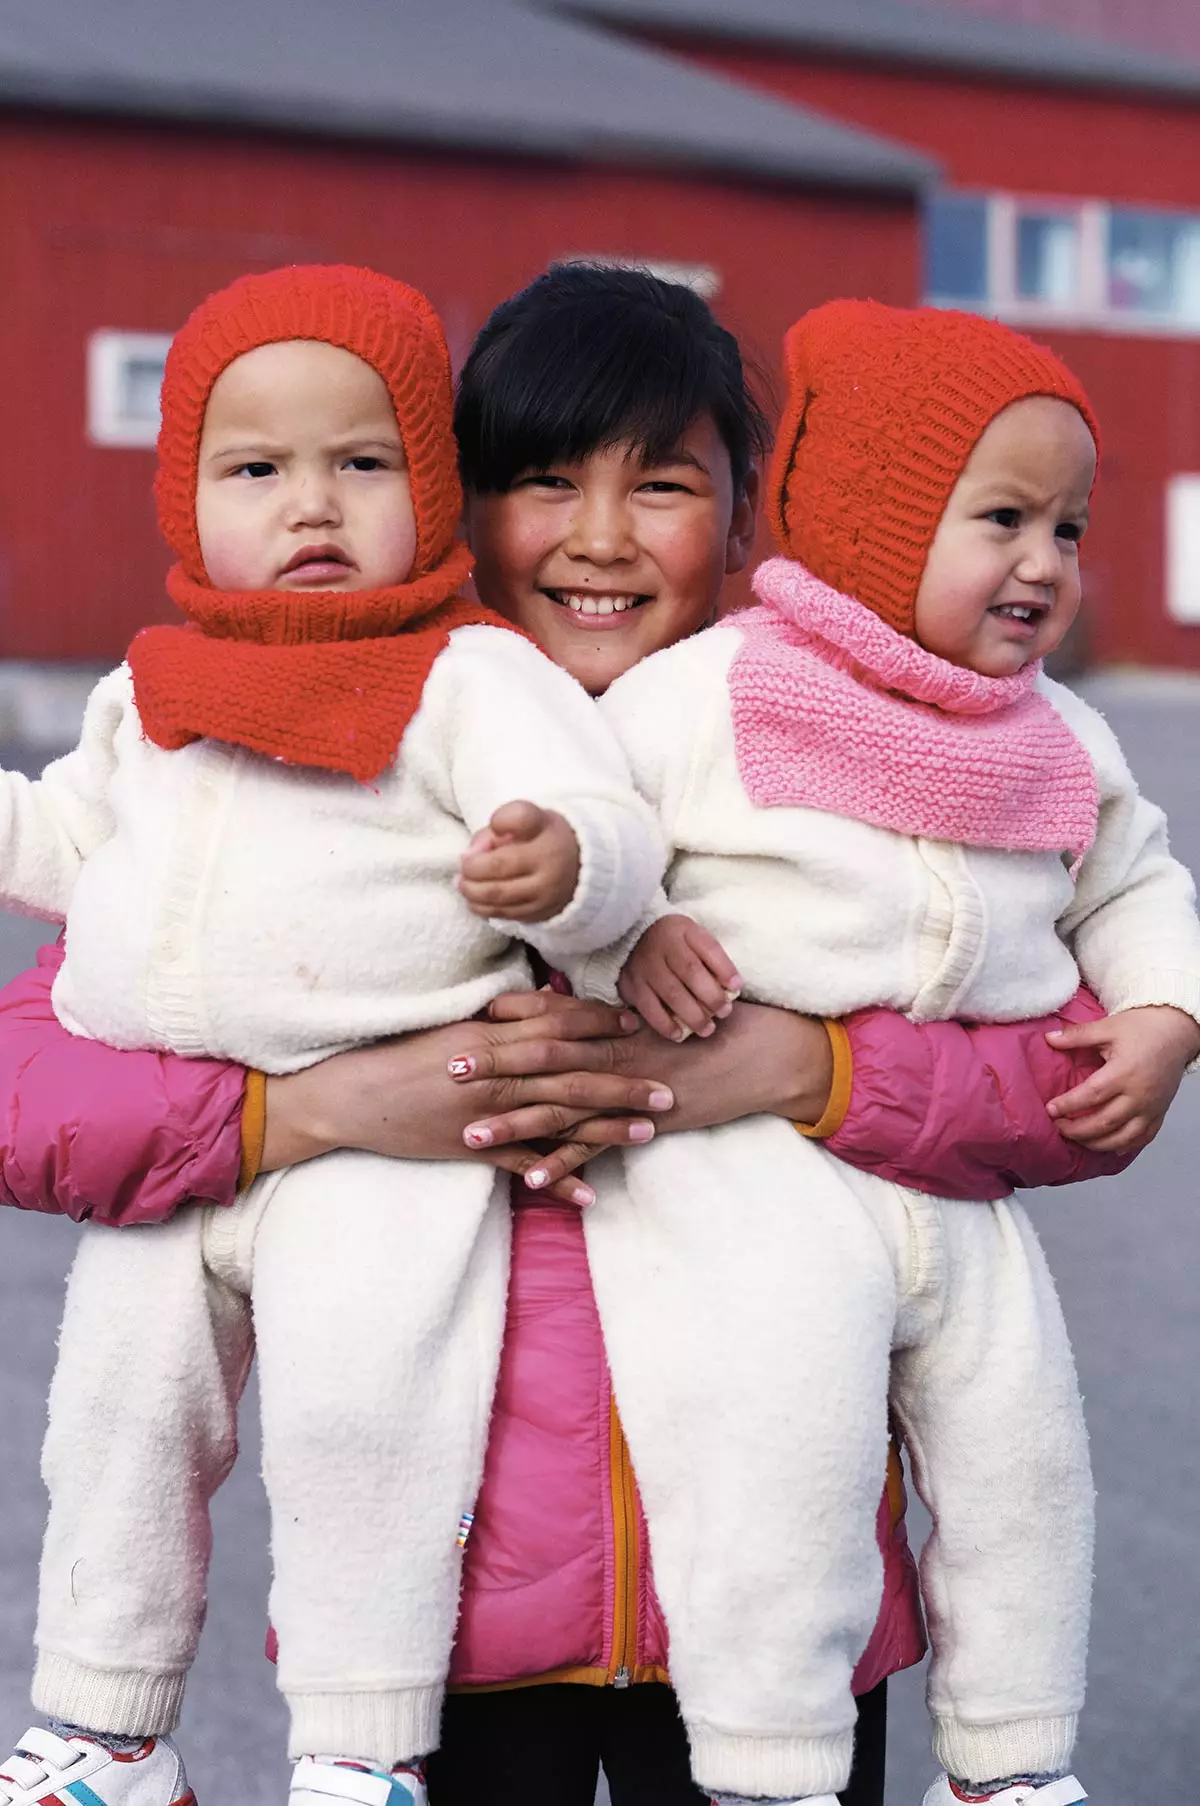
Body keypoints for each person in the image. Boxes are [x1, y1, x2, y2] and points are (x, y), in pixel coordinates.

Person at [0, 268, 1131, 1806]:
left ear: (745, 523)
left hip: (768, 1628)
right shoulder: (346, 752)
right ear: (464, 500)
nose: (599, 541)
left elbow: (1069, 1067)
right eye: (543, 482)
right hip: (458, 1613)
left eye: (663, 487)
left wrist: (809, 1069)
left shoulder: (822, 753)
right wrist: (318, 1108)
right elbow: (39, 1086)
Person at [0, 261, 674, 1806]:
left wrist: (567, 863)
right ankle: (106, 1724)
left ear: (426, 486)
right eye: (257, 469)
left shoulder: (467, 672)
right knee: (114, 1416)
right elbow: (70, 846)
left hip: (390, 1149)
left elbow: (602, 814)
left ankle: (360, 1746)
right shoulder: (151, 691)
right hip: (180, 1148)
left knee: (366, 1425)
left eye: (360, 463)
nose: (311, 504)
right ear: (188, 501)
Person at [576, 299, 1200, 1806]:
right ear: (875, 518)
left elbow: (1135, 876)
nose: (1045, 562)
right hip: (751, 1170)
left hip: (952, 1188)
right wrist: (620, 936)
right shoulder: (713, 692)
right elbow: (592, 843)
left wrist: (1168, 1013)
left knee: (1024, 1457)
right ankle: (776, 1760)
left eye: (1068, 525)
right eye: (1001, 519)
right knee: (791, 1445)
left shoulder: (1055, 735)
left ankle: (1008, 1762)